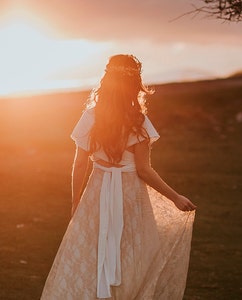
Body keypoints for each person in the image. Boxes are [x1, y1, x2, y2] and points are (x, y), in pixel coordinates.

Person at [41, 54, 196, 300]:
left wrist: (76, 202)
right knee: (132, 253)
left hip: (97, 191)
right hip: (130, 194)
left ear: (106, 80)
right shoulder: (140, 122)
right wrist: (175, 197)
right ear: (136, 86)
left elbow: (80, 163)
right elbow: (144, 170)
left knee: (92, 251)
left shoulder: (91, 116)